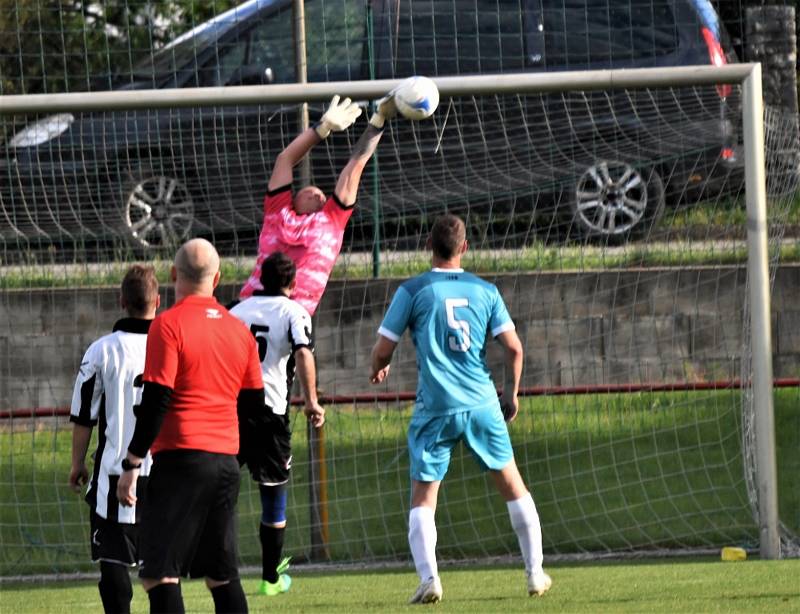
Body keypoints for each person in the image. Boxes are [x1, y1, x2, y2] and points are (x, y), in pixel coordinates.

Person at [369, 214, 552, 604]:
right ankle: (535, 573)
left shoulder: (414, 290)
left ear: (428, 246)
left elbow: (383, 348)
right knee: (513, 486)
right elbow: (515, 349)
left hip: (436, 406)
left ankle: (429, 579)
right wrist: (511, 394)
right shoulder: (485, 290)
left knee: (423, 497)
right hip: (483, 402)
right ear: (465, 248)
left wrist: (378, 366)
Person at [116, 238, 265, 614]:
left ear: (172, 275)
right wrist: (236, 456)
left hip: (181, 461)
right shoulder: (239, 331)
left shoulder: (167, 326)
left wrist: (132, 464)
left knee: (160, 573)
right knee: (221, 573)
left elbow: (157, 401)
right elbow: (254, 408)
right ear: (217, 278)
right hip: (225, 463)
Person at [239, 93, 396, 315]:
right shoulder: (278, 212)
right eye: (311, 192)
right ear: (293, 199)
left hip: (292, 316)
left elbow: (355, 167)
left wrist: (378, 122)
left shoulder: (330, 221)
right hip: (248, 307)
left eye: (322, 195)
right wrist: (321, 129)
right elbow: (285, 159)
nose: (318, 196)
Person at [230, 251, 324, 597]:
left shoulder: (234, 311)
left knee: (220, 490)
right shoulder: (295, 313)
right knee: (273, 495)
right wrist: (312, 401)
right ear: (294, 283)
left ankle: (205, 562)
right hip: (270, 413)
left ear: (259, 280)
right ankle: (270, 578)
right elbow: (303, 352)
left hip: (231, 411)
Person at [69, 265, 160, 614]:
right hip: (162, 471)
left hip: (113, 472)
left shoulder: (101, 351)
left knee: (113, 563)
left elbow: (83, 416)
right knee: (161, 567)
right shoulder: (172, 345)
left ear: (121, 300)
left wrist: (77, 464)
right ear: (157, 300)